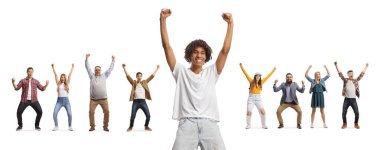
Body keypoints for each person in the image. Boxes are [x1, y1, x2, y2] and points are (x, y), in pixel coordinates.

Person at [160, 8, 233, 150]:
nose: (199, 55)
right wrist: (162, 20)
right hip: (187, 124)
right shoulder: (180, 72)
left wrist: (230, 24)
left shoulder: (212, 72)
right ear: (189, 55)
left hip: (210, 124)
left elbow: (225, 50)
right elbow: (166, 47)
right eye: (195, 52)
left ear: (206, 57)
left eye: (202, 53)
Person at [122, 64, 160, 132]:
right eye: (138, 76)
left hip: (143, 102)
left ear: (141, 76)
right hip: (135, 102)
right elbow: (128, 76)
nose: (139, 77)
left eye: (140, 76)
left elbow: (152, 76)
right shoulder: (134, 82)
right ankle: (130, 127)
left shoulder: (145, 82)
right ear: (136, 77)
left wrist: (157, 68)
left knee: (148, 115)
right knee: (132, 115)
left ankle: (146, 126)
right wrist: (124, 68)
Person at [239, 63, 275, 129]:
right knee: (249, 112)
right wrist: (241, 66)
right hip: (251, 98)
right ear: (255, 76)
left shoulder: (261, 82)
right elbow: (245, 73)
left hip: (258, 98)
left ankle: (263, 125)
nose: (258, 77)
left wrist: (273, 70)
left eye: (259, 76)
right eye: (257, 76)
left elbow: (268, 76)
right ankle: (248, 125)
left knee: (263, 111)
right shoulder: (251, 81)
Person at [334, 61, 368, 129]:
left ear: (353, 74)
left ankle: (356, 123)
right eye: (349, 73)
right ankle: (344, 123)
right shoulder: (345, 80)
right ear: (348, 75)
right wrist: (336, 65)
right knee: (343, 112)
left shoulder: (355, 80)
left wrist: (366, 67)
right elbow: (340, 74)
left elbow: (361, 74)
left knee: (357, 113)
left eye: (352, 73)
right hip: (346, 99)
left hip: (353, 99)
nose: (351, 74)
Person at [85, 53, 115, 132]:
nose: (97, 71)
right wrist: (86, 59)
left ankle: (105, 126)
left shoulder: (104, 75)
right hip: (93, 99)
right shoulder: (92, 76)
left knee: (107, 112)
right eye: (96, 70)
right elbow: (88, 68)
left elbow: (110, 69)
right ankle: (92, 126)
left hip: (103, 99)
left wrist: (113, 61)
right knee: (91, 112)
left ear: (100, 70)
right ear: (94, 71)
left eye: (99, 70)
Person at [51, 63, 74, 131]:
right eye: (62, 77)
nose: (63, 78)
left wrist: (72, 67)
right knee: (54, 113)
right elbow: (55, 75)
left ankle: (70, 126)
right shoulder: (58, 83)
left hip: (66, 101)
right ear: (61, 78)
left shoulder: (67, 83)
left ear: (65, 78)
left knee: (70, 114)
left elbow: (69, 75)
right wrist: (53, 67)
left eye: (64, 77)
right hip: (59, 101)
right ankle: (56, 126)